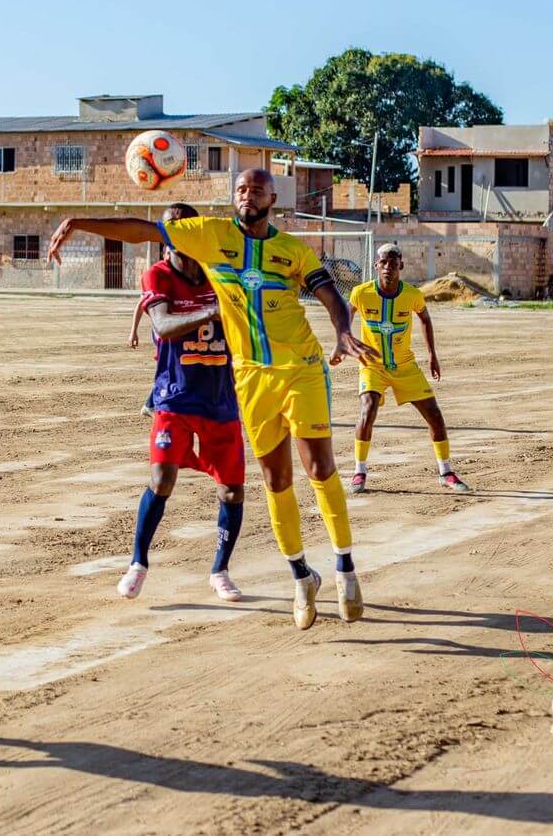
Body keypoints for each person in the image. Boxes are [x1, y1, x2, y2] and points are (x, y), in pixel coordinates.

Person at [48, 169, 378, 628]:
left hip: (301, 368)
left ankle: (345, 569)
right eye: (241, 189)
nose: (247, 196)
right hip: (250, 378)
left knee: (319, 469)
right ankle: (302, 576)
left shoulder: (294, 250)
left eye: (256, 190)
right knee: (275, 480)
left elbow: (329, 295)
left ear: (272, 198)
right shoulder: (210, 235)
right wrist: (80, 222)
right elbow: (143, 230)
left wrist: (343, 331)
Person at [117, 203, 248, 604]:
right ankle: (138, 563)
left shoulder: (219, 271)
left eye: (181, 228)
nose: (172, 236)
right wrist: (213, 310)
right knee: (161, 478)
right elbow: (163, 324)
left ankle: (220, 571)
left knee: (232, 491)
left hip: (220, 399)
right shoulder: (158, 274)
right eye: (167, 230)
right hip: (174, 397)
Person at [339, 244, 471, 496]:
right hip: (372, 366)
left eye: (393, 263)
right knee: (367, 410)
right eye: (383, 262)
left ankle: (445, 472)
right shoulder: (361, 293)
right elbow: (346, 315)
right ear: (376, 265)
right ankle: (359, 471)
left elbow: (425, 317)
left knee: (434, 415)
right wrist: (344, 338)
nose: (388, 267)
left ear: (401, 265)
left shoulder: (412, 295)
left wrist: (432, 354)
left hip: (405, 366)